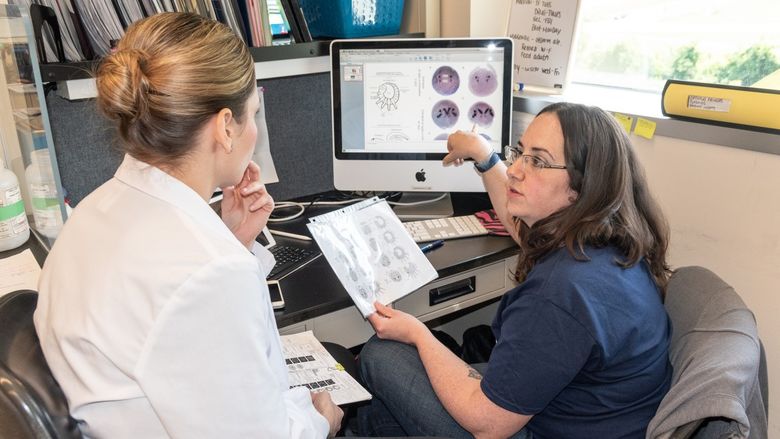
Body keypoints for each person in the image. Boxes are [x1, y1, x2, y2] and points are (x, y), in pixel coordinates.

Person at [33, 13, 342, 438]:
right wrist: (320, 422)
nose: (254, 128)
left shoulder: (93, 208)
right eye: (252, 113)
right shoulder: (208, 273)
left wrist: (232, 241)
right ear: (225, 128)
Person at [358, 102, 673, 438]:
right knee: (382, 416)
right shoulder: (610, 246)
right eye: (519, 153)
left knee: (381, 354)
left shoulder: (559, 293)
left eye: (537, 160)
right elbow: (523, 227)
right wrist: (485, 159)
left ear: (582, 186)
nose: (515, 171)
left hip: (523, 425)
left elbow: (488, 424)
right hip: (592, 415)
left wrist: (418, 334)